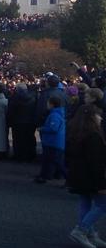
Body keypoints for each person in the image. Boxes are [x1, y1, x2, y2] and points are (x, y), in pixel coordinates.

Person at [66, 104, 106, 247]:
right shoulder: (94, 136)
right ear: (92, 117)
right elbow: (96, 162)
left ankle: (89, 232)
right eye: (98, 115)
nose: (100, 118)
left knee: (85, 202)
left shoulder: (74, 132)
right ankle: (82, 230)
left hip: (78, 174)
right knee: (102, 204)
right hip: (90, 175)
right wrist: (101, 184)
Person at [34, 96, 67, 184]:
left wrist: (42, 129)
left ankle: (69, 178)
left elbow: (53, 128)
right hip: (54, 142)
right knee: (48, 160)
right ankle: (44, 176)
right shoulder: (59, 113)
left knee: (56, 161)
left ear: (52, 104)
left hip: (53, 142)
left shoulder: (54, 115)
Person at [7, 83, 37, 162]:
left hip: (17, 122)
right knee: (29, 138)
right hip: (29, 121)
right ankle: (30, 154)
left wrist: (9, 120)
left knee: (17, 139)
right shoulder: (33, 97)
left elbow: (10, 111)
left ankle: (19, 155)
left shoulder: (14, 98)